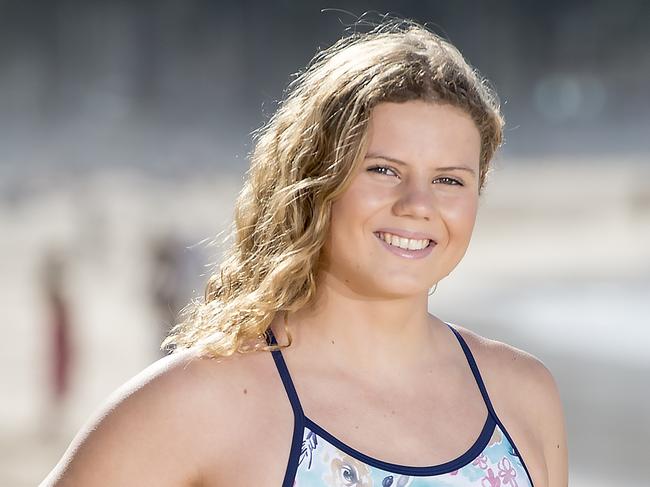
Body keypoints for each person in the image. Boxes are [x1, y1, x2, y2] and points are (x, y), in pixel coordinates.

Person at [41, 20, 568, 487]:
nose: (417, 205)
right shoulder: (201, 401)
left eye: (450, 180)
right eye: (382, 169)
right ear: (315, 178)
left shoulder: (520, 396)